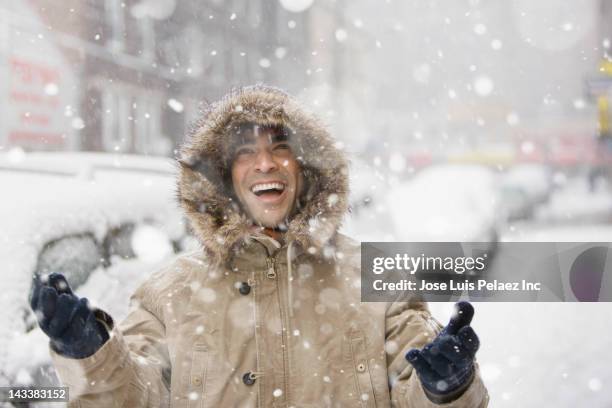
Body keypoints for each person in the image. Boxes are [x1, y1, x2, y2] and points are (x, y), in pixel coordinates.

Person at [30, 85, 489, 407]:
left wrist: (447, 387)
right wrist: (90, 352)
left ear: (305, 166)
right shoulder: (170, 292)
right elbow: (131, 399)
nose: (264, 162)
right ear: (224, 176)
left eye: (280, 147)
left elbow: (422, 395)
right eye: (245, 151)